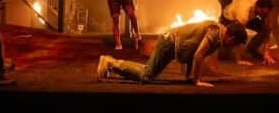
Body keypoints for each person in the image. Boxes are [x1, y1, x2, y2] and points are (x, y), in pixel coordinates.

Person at [97, 19, 248, 87]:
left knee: (147, 73)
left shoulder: (218, 36)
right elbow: (198, 55)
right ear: (232, 37)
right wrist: (196, 81)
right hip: (169, 42)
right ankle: (110, 63)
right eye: (234, 44)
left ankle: (111, 63)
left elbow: (192, 51)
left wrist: (189, 77)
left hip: (170, 43)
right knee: (146, 76)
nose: (231, 48)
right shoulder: (215, 32)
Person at [220, 0, 276, 64]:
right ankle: (228, 51)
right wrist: (239, 60)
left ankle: (251, 49)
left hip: (250, 16)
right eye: (263, 12)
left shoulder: (261, 5)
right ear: (257, 7)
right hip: (228, 19)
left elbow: (267, 31)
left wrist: (266, 53)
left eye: (266, 13)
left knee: (265, 29)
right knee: (223, 54)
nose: (264, 15)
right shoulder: (243, 13)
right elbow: (238, 33)